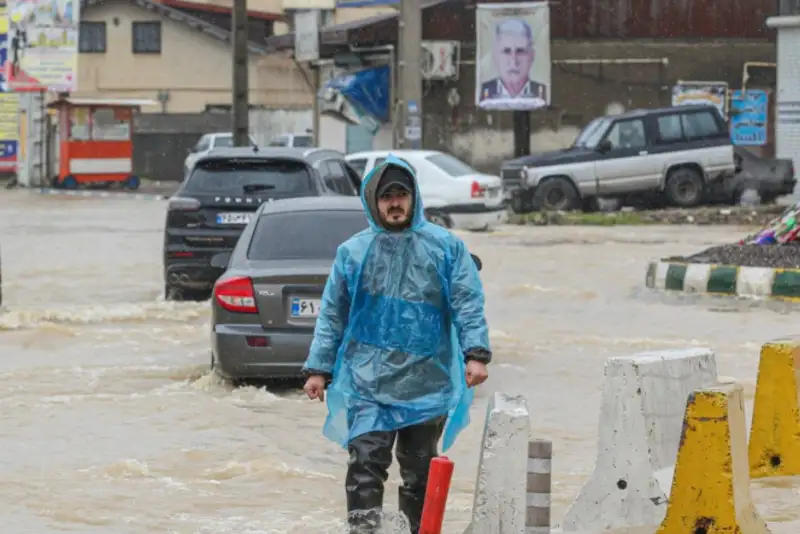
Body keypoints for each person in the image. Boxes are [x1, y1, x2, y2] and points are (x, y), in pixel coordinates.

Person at [302, 155, 492, 534]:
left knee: (419, 474)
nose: (394, 202)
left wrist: (476, 354)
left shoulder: (445, 248)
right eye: (386, 195)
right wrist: (319, 368)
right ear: (373, 200)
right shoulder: (352, 253)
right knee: (365, 468)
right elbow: (333, 315)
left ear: (413, 197)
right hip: (367, 384)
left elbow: (467, 301)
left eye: (401, 193)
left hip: (426, 383)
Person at [480, 18, 547, 103]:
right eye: (506, 51)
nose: (513, 62)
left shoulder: (544, 93)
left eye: (520, 51)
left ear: (532, 56)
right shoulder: (482, 92)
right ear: (495, 55)